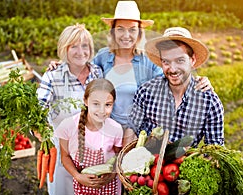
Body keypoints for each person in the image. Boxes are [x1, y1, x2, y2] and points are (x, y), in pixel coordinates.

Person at [49, 1, 213, 141]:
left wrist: (197, 81)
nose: (126, 35)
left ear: (140, 31)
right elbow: (82, 71)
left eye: (132, 29)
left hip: (136, 135)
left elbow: (172, 81)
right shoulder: (103, 56)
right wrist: (62, 64)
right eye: (120, 28)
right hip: (104, 131)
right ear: (113, 31)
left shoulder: (148, 61)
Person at [125, 27, 224, 147]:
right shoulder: (146, 92)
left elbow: (214, 148)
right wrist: (127, 160)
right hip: (147, 162)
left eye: (180, 60)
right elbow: (132, 129)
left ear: (192, 60)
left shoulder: (210, 103)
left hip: (183, 164)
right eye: (166, 62)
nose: (172, 69)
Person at [36, 24, 103, 195]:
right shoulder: (53, 76)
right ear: (64, 49)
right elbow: (38, 110)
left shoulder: (97, 73)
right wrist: (39, 129)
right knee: (64, 194)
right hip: (62, 152)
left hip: (91, 150)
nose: (80, 51)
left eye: (84, 45)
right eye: (73, 46)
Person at [54, 78, 123, 195]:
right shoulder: (68, 126)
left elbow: (118, 157)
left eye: (107, 105)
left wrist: (111, 175)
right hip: (82, 185)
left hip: (109, 188)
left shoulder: (115, 129)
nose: (102, 111)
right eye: (96, 104)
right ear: (86, 101)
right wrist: (78, 176)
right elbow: (64, 157)